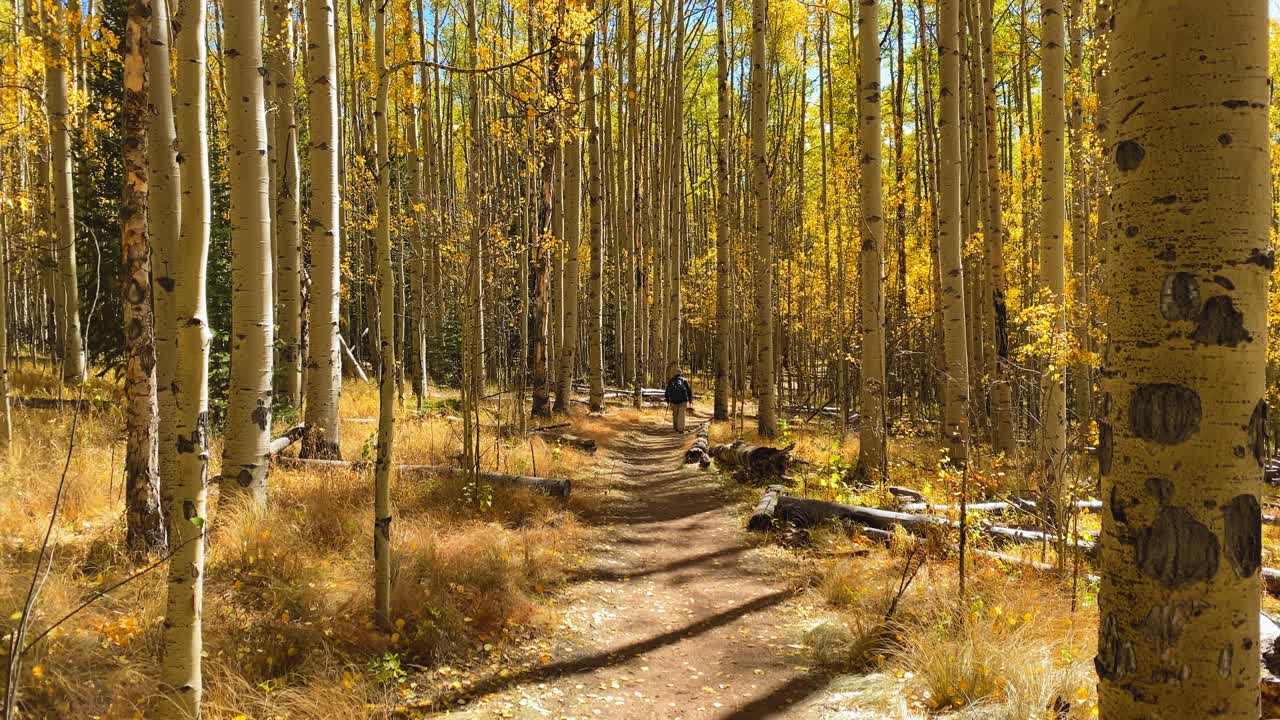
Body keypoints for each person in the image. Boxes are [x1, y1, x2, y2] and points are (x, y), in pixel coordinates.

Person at [664, 365, 693, 432]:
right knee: (681, 415)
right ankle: (680, 429)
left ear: (675, 374)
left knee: (675, 414)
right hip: (683, 400)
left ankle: (675, 428)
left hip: (673, 400)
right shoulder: (684, 380)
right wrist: (690, 400)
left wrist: (668, 400)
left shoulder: (671, 381)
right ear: (681, 373)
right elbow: (689, 390)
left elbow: (667, 391)